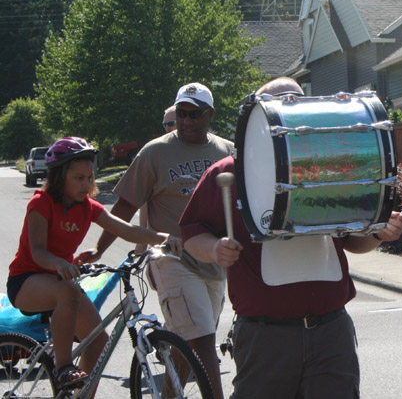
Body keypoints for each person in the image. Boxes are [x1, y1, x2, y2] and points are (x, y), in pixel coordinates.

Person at [179, 76, 402, 399]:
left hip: (331, 332)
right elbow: (191, 233)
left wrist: (380, 234)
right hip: (265, 335)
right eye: (279, 105)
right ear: (260, 115)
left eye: (295, 103)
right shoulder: (226, 172)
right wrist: (215, 248)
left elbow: (352, 242)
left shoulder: (335, 165)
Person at [81, 82, 233, 399]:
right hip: (170, 259)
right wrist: (99, 249)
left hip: (215, 260)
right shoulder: (155, 153)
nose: (187, 121)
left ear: (211, 114)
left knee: (186, 342)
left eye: (195, 114)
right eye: (181, 113)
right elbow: (123, 207)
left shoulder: (227, 151)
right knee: (203, 340)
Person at [6, 137, 180, 389]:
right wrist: (59, 264)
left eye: (90, 178)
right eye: (78, 178)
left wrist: (164, 238)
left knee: (98, 341)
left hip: (60, 282)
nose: (86, 184)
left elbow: (126, 229)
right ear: (59, 177)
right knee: (68, 291)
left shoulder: (87, 207)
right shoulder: (41, 203)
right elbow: (38, 252)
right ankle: (64, 367)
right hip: (25, 283)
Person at [135, 104, 178, 254]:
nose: (167, 128)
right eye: (165, 124)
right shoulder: (156, 153)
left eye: (171, 123)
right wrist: (143, 239)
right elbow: (144, 200)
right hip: (163, 243)